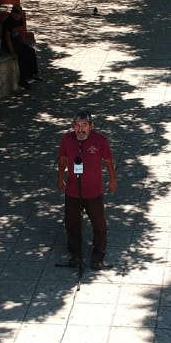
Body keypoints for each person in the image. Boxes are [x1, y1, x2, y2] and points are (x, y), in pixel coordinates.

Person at [57, 110, 117, 269]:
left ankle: (98, 257)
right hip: (72, 191)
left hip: (94, 192)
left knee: (99, 225)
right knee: (72, 224)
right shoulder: (67, 139)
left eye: (84, 125)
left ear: (91, 126)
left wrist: (113, 180)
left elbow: (109, 162)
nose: (80, 129)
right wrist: (60, 179)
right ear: (73, 126)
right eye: (77, 125)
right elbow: (62, 160)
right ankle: (75, 255)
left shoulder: (100, 141)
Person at [1, 4, 40, 89]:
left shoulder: (20, 19)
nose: (18, 16)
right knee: (23, 56)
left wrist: (23, 43)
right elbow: (7, 39)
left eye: (19, 14)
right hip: (8, 45)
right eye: (16, 14)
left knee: (31, 51)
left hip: (16, 43)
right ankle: (22, 80)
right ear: (12, 13)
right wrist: (12, 52)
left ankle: (33, 73)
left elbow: (22, 31)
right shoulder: (8, 22)